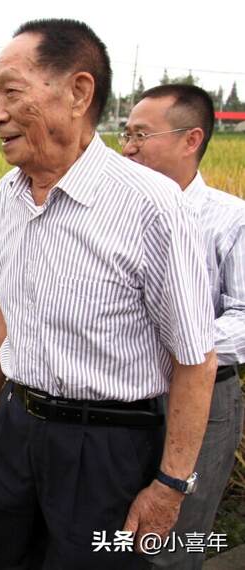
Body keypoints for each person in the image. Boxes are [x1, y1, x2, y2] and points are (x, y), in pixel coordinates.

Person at [0, 19, 218, 569]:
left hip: (108, 448)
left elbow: (195, 358)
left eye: (11, 92)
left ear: (78, 92)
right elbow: (8, 311)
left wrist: (171, 484)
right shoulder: (7, 197)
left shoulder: (152, 206)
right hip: (17, 429)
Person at [122, 84, 244, 569]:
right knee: (116, 532)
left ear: (191, 139)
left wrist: (180, 347)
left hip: (202, 397)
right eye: (125, 133)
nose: (126, 147)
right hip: (124, 396)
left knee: (171, 539)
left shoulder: (230, 219)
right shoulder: (121, 215)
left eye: (140, 135)